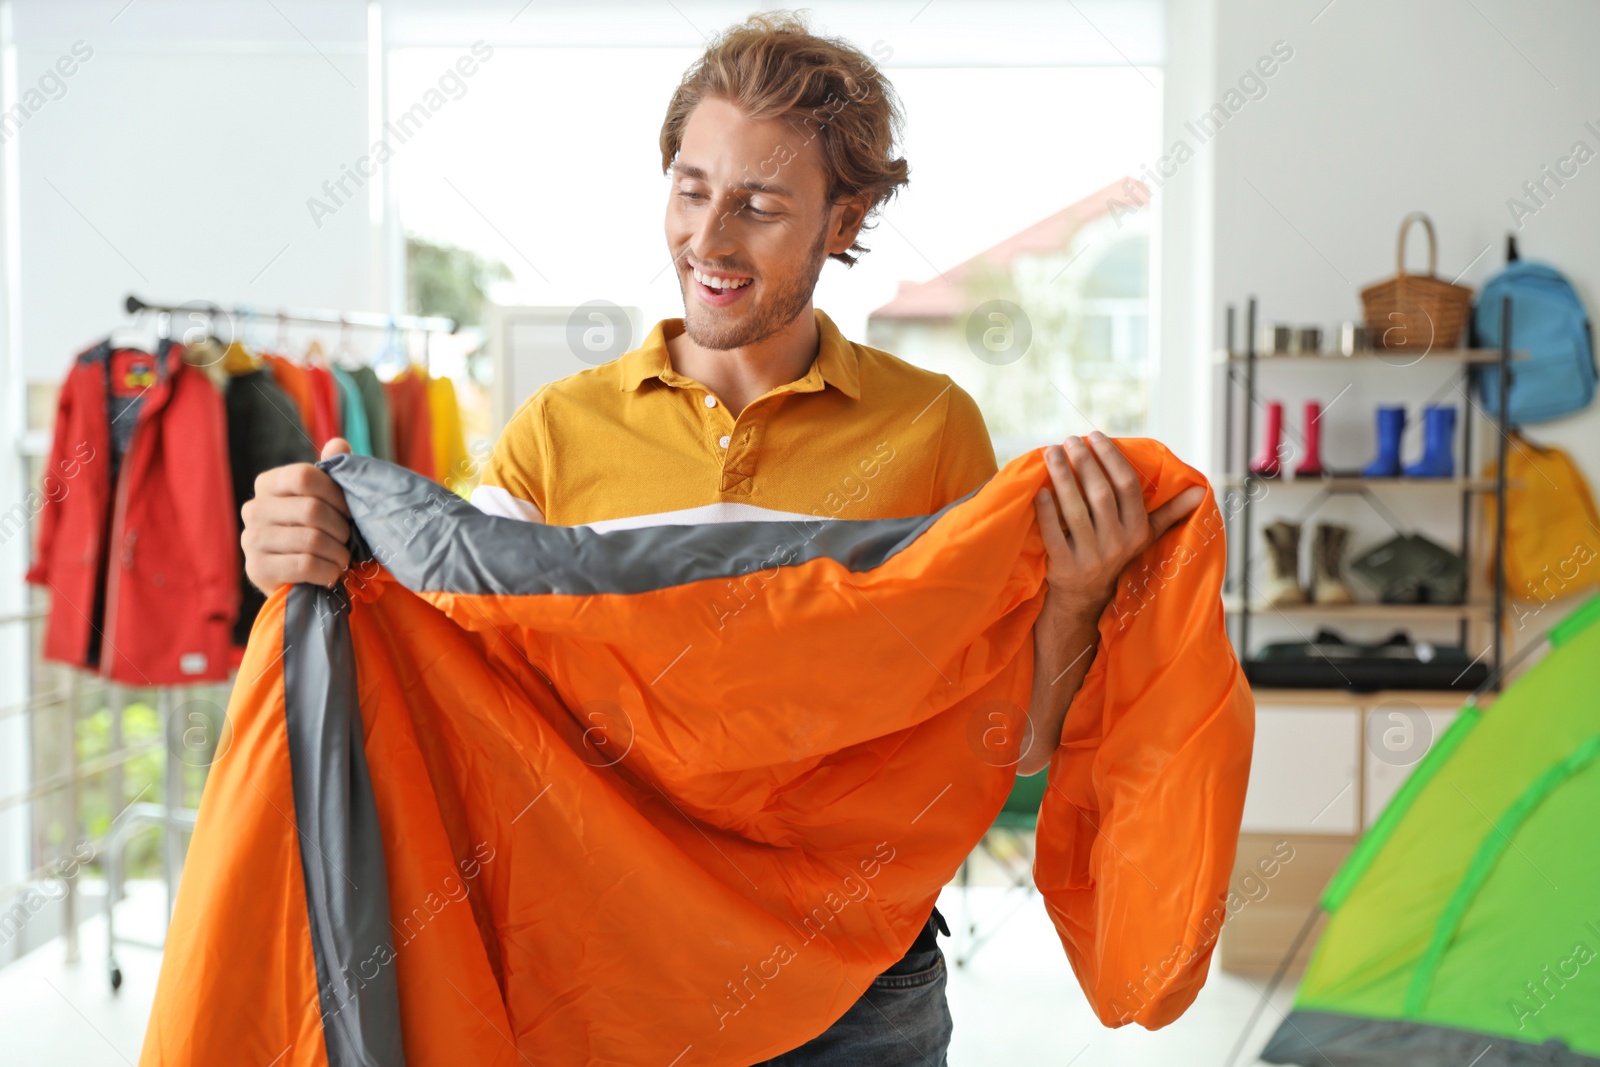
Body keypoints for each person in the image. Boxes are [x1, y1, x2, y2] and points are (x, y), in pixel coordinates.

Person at [242, 11, 1203, 1065]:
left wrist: (1071, 595)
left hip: (862, 992)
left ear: (848, 218)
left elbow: (1007, 744)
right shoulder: (558, 432)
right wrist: (309, 554)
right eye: (691, 189)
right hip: (604, 983)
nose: (708, 238)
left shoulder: (930, 432)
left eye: (759, 204)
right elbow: (451, 675)